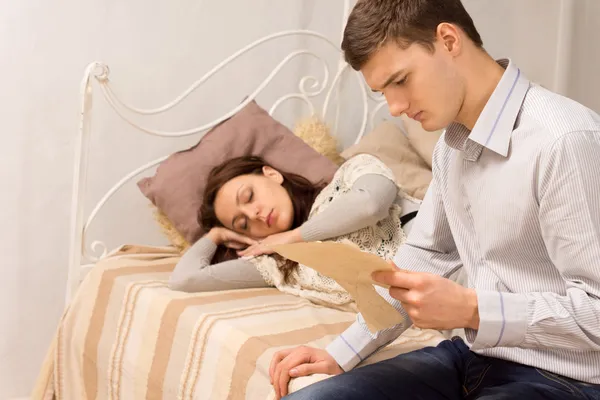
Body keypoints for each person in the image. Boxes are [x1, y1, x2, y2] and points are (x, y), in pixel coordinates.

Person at [270, 0, 600, 399]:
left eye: (401, 80)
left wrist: (474, 309)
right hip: (471, 356)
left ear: (447, 40)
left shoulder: (564, 141)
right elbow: (424, 257)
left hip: (568, 378)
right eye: (383, 92)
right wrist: (343, 352)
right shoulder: (451, 148)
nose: (395, 107)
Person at [169, 153, 420, 309]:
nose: (253, 214)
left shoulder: (353, 173)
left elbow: (370, 205)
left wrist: (294, 237)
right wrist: (217, 235)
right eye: (243, 224)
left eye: (249, 196)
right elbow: (184, 280)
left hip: (449, 251)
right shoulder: (278, 264)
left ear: (272, 174)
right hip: (428, 310)